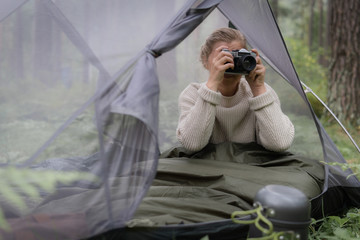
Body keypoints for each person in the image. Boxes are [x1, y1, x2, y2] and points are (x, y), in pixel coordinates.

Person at [176, 28, 295, 152]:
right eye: (222, 57)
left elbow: (280, 144)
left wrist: (258, 89)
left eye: (236, 57)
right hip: (208, 170)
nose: (229, 63)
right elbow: (193, 144)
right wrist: (212, 85)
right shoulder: (193, 94)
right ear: (205, 61)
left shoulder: (261, 94)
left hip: (251, 169)